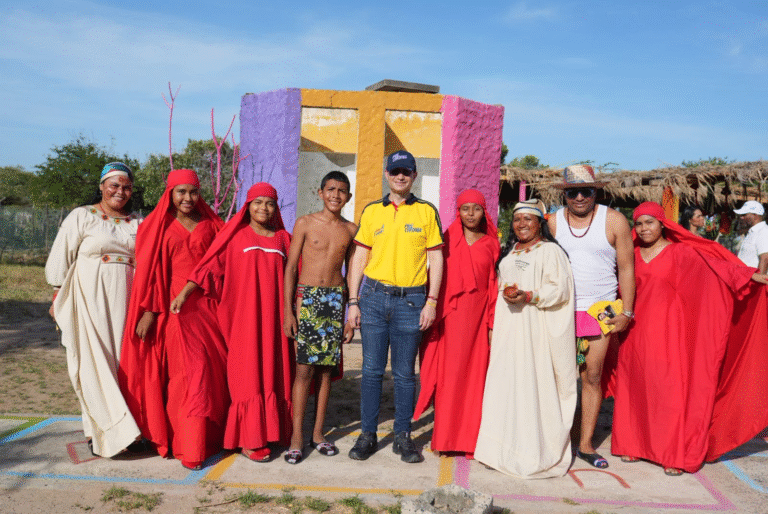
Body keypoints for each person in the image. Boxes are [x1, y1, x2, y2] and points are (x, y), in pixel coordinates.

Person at [611, 202, 768, 476]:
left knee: (670, 390)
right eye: (638, 224)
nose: (644, 228)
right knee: (636, 386)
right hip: (634, 330)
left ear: (663, 224)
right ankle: (634, 444)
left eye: (650, 222)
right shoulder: (630, 254)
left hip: (670, 332)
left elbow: (716, 270)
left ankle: (673, 453)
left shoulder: (681, 251)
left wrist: (752, 277)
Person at [171, 182, 293, 463]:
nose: (264, 208)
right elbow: (208, 269)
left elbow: (296, 278)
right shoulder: (236, 238)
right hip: (243, 321)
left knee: (274, 372)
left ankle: (272, 432)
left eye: (270, 203)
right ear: (247, 206)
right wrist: (184, 293)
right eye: (257, 202)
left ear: (276, 208)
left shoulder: (283, 239)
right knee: (247, 375)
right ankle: (249, 440)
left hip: (275, 322)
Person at [119, 169, 229, 470]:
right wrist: (151, 311)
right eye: (181, 192)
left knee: (211, 374)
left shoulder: (213, 225)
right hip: (173, 312)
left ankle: (209, 438)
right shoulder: (158, 226)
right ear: (170, 193)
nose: (188, 198)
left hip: (208, 309)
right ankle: (188, 444)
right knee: (189, 375)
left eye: (193, 192)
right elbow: (151, 273)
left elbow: (225, 265)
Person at [346, 150, 444, 463]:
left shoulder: (427, 212)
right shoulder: (372, 211)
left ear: (414, 175)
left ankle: (403, 436)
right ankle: (367, 435)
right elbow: (359, 257)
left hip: (412, 300)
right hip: (373, 298)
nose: (400, 176)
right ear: (387, 174)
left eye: (406, 171)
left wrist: (432, 301)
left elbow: (436, 258)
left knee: (404, 374)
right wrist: (353, 302)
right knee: (372, 371)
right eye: (395, 171)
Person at [475, 199, 577, 478]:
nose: (521, 224)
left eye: (528, 219)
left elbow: (561, 291)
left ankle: (532, 452)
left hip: (535, 332)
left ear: (539, 223)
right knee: (507, 385)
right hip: (509, 330)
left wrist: (530, 295)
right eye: (517, 219)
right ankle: (500, 449)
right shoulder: (510, 252)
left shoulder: (550, 252)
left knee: (532, 386)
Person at [45, 162, 142, 457]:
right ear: (101, 186)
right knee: (93, 362)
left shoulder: (138, 222)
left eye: (126, 186)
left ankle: (131, 430)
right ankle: (100, 432)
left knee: (125, 363)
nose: (120, 192)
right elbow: (62, 254)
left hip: (128, 297)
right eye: (114, 185)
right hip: (89, 297)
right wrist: (57, 292)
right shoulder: (82, 216)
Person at [547, 164, 634, 469]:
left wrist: (628, 311)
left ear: (596, 190)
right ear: (565, 193)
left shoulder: (614, 220)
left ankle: (585, 444)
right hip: (563, 311)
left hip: (600, 312)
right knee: (565, 375)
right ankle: (563, 438)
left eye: (587, 191)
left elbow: (626, 269)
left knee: (592, 375)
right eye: (573, 192)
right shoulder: (553, 222)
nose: (580, 197)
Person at [413, 189, 499, 459]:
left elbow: (493, 287)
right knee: (449, 380)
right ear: (458, 212)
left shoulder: (492, 244)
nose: (470, 214)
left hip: (477, 325)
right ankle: (445, 439)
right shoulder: (445, 240)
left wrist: (490, 326)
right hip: (449, 322)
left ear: (484, 211)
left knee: (475, 381)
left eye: (476, 208)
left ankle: (470, 442)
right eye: (465, 208)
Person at [282, 171, 357, 464]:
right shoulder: (304, 223)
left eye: (341, 191)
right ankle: (296, 438)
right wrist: (289, 309)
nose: (335, 195)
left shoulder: (351, 230)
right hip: (308, 299)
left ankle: (318, 434)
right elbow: (290, 268)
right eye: (330, 189)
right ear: (320, 192)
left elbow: (352, 274)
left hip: (335, 301)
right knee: (304, 371)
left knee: (326, 372)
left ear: (348, 197)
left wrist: (350, 315)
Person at [733, 200, 768, 273]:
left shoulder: (763, 231)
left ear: (755, 215)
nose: (741, 218)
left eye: (744, 215)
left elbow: (765, 258)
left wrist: (759, 282)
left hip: (753, 282)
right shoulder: (752, 232)